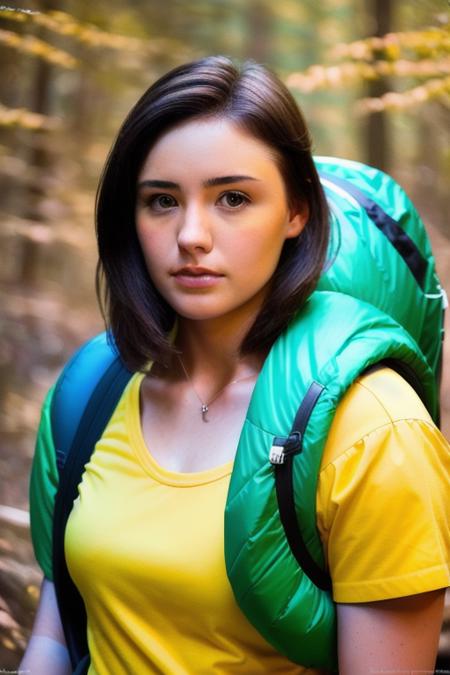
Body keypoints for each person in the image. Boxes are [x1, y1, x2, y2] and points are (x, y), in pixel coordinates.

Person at [21, 55, 449, 675]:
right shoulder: (92, 393)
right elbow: (58, 640)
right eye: (162, 201)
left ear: (297, 211)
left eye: (233, 198)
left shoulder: (377, 430)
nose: (192, 234)